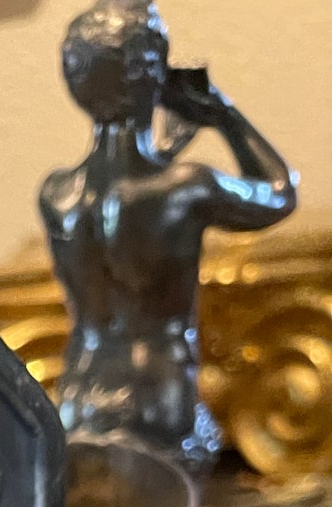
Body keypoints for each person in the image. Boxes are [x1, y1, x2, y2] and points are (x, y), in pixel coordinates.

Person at [42, 1, 296, 466]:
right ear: (152, 75)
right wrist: (223, 114)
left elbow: (122, 209)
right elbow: (280, 192)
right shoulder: (187, 188)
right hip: (155, 393)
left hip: (78, 394)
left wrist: (161, 148)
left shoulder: (58, 194)